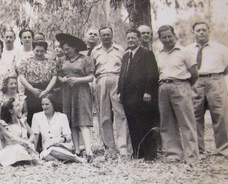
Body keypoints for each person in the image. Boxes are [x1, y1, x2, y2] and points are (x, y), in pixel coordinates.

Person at [187, 22, 228, 158]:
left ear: (209, 31)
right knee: (195, 114)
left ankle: (225, 149)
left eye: (204, 30)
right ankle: (197, 148)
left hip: (215, 80)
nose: (201, 32)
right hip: (196, 81)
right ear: (193, 33)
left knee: (220, 115)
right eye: (198, 30)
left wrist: (219, 76)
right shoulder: (188, 50)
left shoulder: (219, 48)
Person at [155, 25, 199, 163]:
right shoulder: (158, 54)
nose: (167, 39)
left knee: (186, 121)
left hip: (181, 85)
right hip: (163, 87)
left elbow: (195, 73)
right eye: (164, 37)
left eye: (170, 36)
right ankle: (173, 154)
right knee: (167, 123)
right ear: (160, 39)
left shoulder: (184, 51)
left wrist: (184, 86)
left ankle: (192, 156)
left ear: (174, 36)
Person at [118, 29, 159, 161]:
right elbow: (122, 75)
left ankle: (149, 154)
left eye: (133, 38)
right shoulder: (126, 56)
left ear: (139, 39)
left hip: (142, 95)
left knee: (144, 123)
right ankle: (137, 152)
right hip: (128, 96)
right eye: (128, 38)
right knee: (132, 124)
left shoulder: (146, 53)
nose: (130, 40)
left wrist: (148, 91)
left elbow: (152, 74)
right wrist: (120, 92)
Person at [91, 27, 131, 158]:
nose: (106, 37)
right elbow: (92, 70)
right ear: (100, 37)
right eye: (103, 35)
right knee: (104, 116)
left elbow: (125, 68)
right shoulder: (95, 51)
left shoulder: (120, 50)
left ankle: (123, 148)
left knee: (120, 114)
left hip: (117, 79)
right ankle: (109, 148)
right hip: (101, 80)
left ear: (112, 35)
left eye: (108, 35)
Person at [56, 33, 95, 158]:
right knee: (71, 119)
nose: (65, 51)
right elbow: (58, 74)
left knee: (83, 120)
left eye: (68, 49)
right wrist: (62, 79)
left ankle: (88, 150)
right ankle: (77, 149)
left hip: (81, 90)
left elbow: (91, 76)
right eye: (64, 49)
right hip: (67, 91)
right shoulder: (62, 60)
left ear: (74, 48)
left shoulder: (85, 59)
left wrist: (78, 80)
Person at [32, 95, 85, 163]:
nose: (44, 107)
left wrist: (60, 140)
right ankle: (59, 159)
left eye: (47, 104)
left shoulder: (62, 116)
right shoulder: (37, 116)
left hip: (62, 145)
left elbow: (69, 137)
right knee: (44, 154)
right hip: (47, 147)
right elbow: (35, 136)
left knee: (52, 150)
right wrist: (35, 152)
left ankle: (75, 158)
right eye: (42, 104)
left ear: (53, 104)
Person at [18, 41, 57, 126]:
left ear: (45, 51)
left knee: (47, 113)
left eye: (42, 51)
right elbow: (21, 76)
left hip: (47, 90)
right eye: (37, 51)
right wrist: (32, 90)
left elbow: (54, 76)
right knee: (32, 114)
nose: (39, 53)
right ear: (33, 50)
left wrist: (46, 91)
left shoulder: (51, 62)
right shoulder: (26, 61)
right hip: (31, 90)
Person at [0, 99, 39, 166]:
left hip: (24, 146)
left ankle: (24, 160)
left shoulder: (22, 120)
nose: (20, 107)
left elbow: (32, 134)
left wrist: (28, 142)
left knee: (26, 148)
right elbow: (13, 138)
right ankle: (21, 160)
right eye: (17, 106)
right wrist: (26, 142)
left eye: (19, 105)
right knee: (16, 149)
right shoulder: (2, 125)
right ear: (10, 110)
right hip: (10, 148)